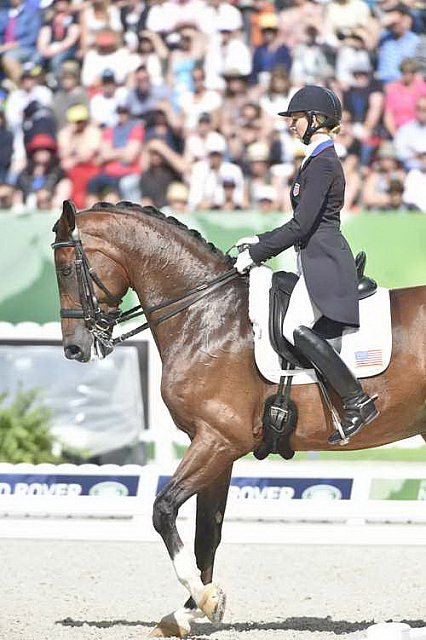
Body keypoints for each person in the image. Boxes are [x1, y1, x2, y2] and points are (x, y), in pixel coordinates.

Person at [234, 85, 379, 444]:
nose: (291, 125)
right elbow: (301, 223)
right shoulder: (316, 161)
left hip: (325, 261)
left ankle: (357, 401)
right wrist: (261, 239)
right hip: (314, 257)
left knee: (293, 325)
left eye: (296, 119)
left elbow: (302, 225)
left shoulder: (324, 163)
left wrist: (258, 254)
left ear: (316, 120)